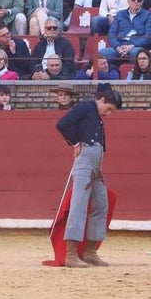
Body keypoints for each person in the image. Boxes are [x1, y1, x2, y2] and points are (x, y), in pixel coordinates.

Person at [55, 85, 123, 267]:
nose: (108, 114)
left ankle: (89, 252)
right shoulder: (86, 107)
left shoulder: (96, 115)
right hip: (84, 163)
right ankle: (71, 254)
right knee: (79, 205)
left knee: (101, 204)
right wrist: (74, 142)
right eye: (108, 109)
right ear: (101, 100)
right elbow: (62, 124)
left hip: (96, 167)